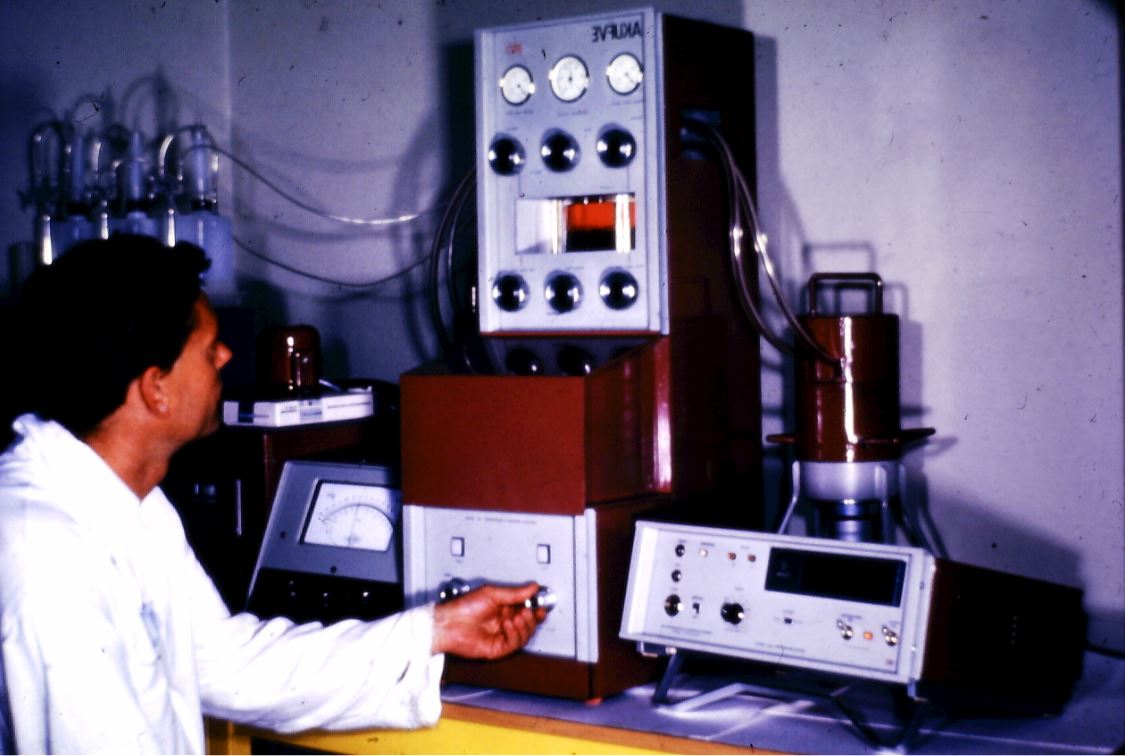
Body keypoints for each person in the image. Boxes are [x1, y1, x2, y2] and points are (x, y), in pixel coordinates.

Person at [0, 235, 546, 754]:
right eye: (208, 348)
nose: (225, 357)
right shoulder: (46, 557)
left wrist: (436, 630)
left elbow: (226, 665)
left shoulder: (128, 505)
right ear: (155, 387)